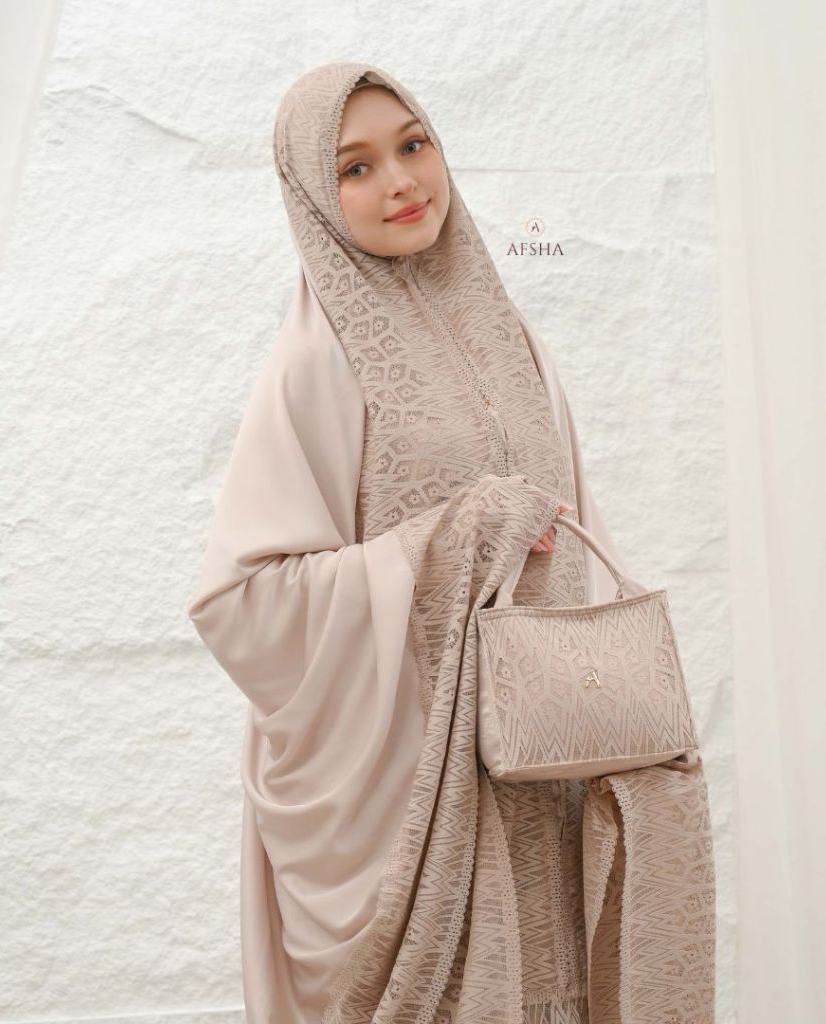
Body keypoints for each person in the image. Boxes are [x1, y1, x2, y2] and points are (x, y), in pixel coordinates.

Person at [187, 62, 715, 1024]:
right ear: (313, 195)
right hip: (421, 796)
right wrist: (452, 538)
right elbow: (243, 603)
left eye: (413, 144)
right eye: (355, 167)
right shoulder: (317, 360)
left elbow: (574, 530)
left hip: (542, 766)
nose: (400, 181)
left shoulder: (511, 338)